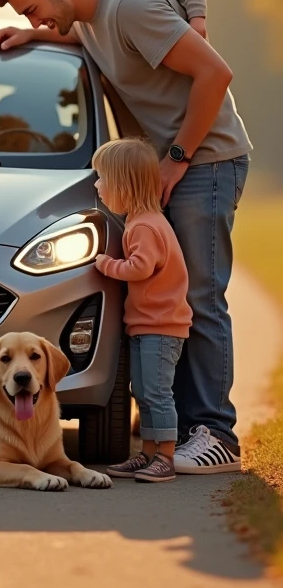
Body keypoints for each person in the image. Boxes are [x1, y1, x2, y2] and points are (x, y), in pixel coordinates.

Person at [0, 0, 251, 474]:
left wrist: (177, 157)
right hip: (167, 167)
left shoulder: (130, 6)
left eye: (32, 8)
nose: (34, 18)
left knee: (199, 293)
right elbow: (76, 27)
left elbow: (215, 74)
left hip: (206, 160)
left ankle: (216, 431)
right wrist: (34, 33)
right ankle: (172, 433)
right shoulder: (82, 16)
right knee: (166, 291)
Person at [93, 138, 191, 482]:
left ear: (124, 185)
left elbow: (139, 268)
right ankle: (148, 452)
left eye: (102, 178)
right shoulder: (140, 220)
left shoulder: (146, 226)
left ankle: (165, 456)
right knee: (142, 390)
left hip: (161, 328)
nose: (97, 185)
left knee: (157, 392)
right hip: (145, 325)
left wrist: (106, 264)